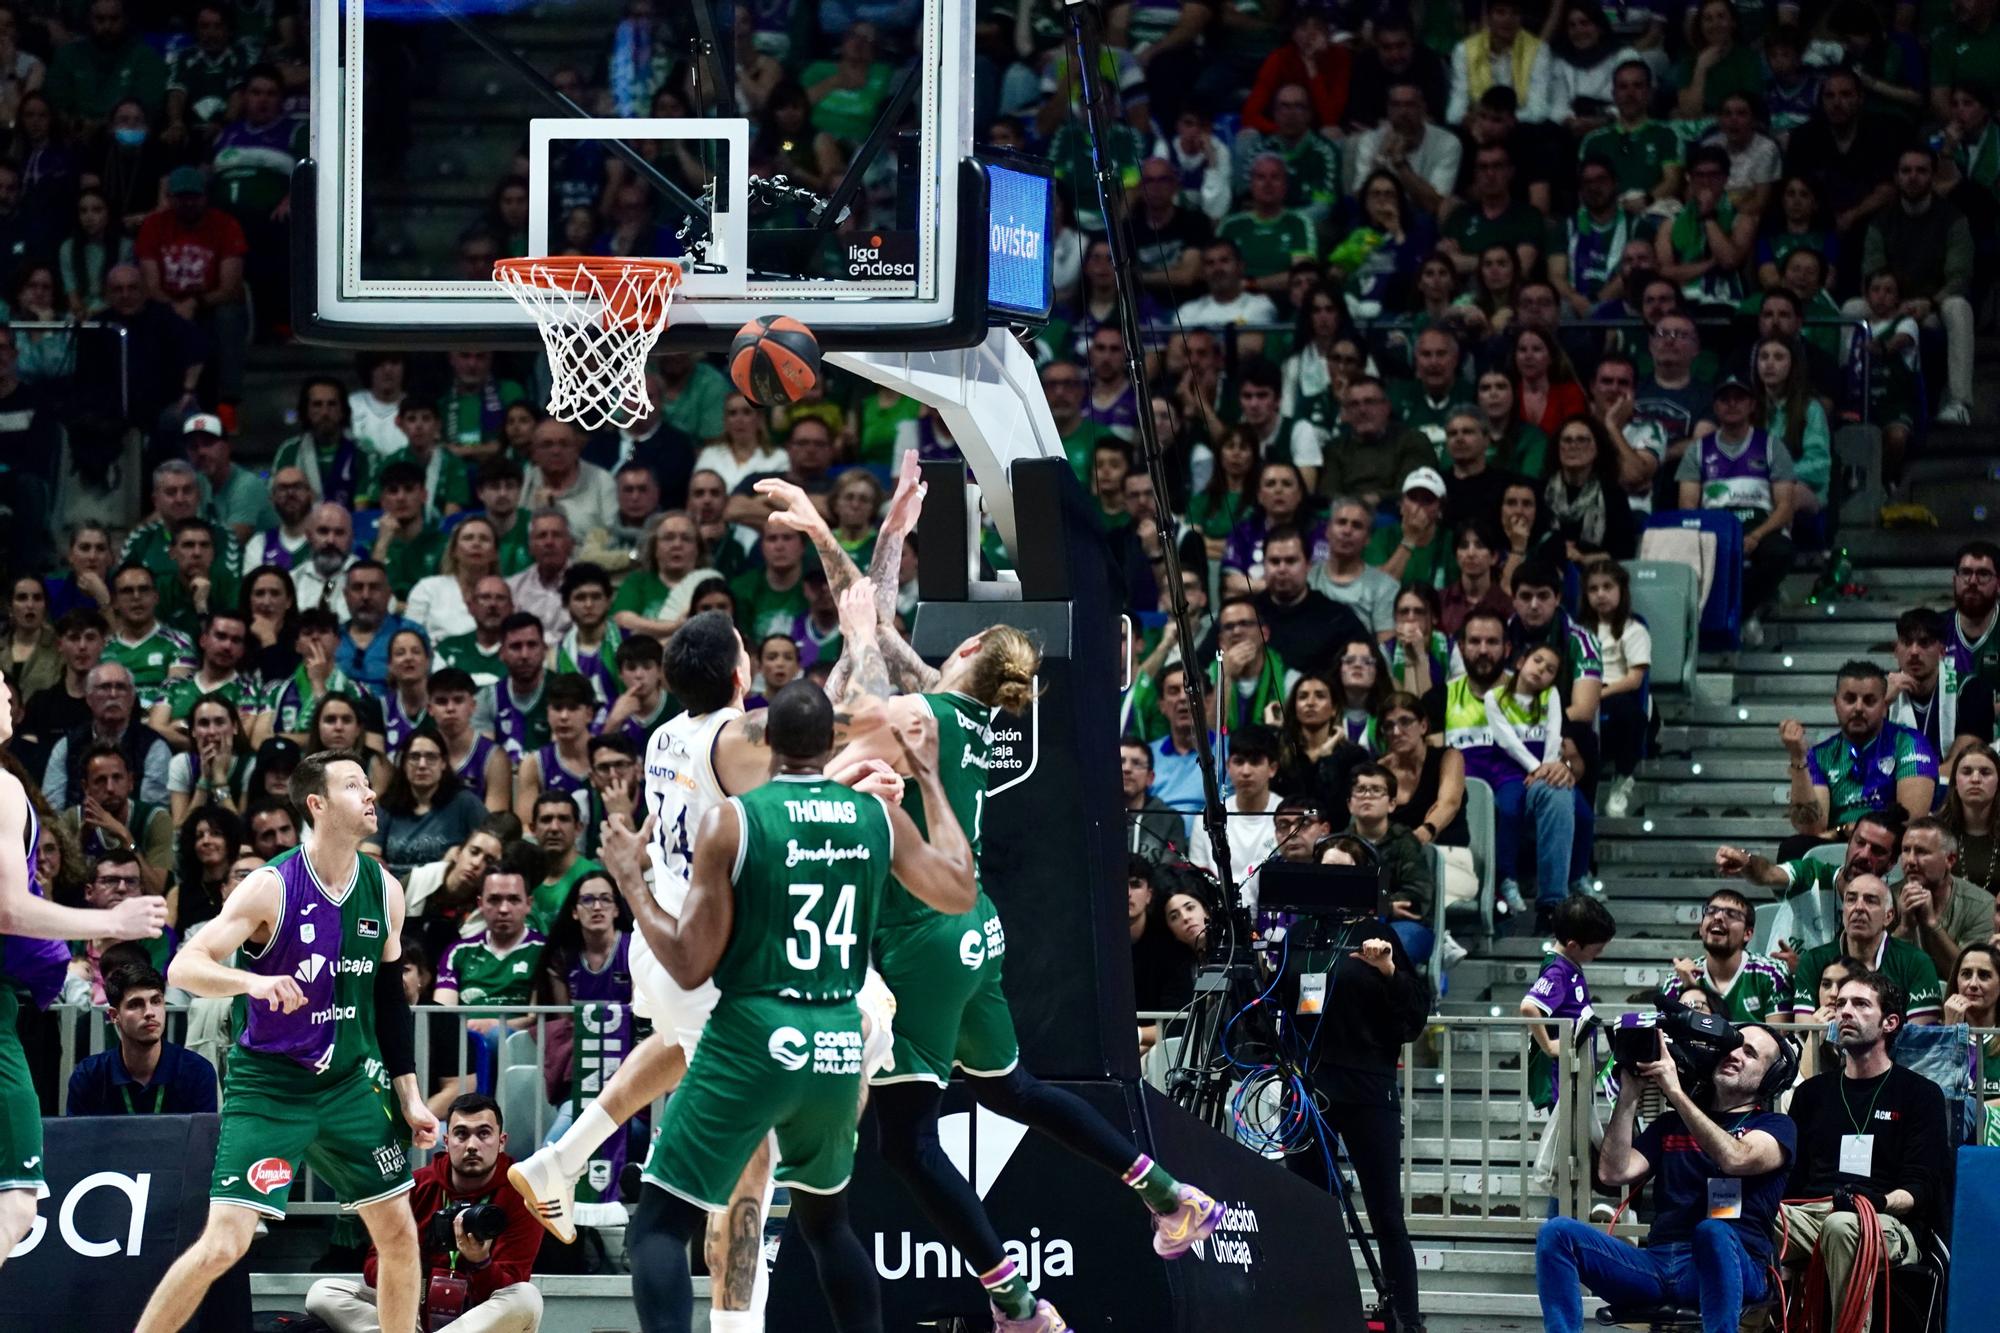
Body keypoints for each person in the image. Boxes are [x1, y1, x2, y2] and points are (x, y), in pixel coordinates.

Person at [600, 679, 978, 1333]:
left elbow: (691, 962)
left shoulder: (735, 819)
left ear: (766, 741)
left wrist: (632, 879)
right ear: (831, 740)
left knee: (659, 1225)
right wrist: (928, 776)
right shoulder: (878, 817)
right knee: (828, 1225)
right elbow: (958, 889)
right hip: (837, 1039)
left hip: (754, 1033)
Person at [130, 750, 438, 1332]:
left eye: (370, 784)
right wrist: (254, 980)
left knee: (398, 1230)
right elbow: (183, 968)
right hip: (270, 1086)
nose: (370, 794)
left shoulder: (385, 890)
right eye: (354, 786)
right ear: (317, 805)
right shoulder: (271, 886)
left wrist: (410, 1094)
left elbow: (390, 1001)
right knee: (224, 1244)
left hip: (350, 1082)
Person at [0, 673, 169, 1269]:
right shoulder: (1, 788)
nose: (7, 692)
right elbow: (8, 909)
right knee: (16, 1203)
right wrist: (113, 921)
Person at [1536, 1021, 1796, 1333]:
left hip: (1735, 1264)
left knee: (1712, 1232)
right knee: (1557, 1232)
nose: (1735, 1054)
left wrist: (1674, 1091)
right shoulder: (1671, 1125)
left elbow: (1735, 1158)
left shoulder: (1776, 1126)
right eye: (1733, 1046)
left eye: (1751, 1053)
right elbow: (1613, 1172)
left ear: (1771, 1077)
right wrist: (1629, 1097)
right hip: (1658, 1265)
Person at [1779, 969, 1950, 1325]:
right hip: (1812, 1213)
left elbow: (1920, 1189)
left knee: (1842, 1227)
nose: (1844, 1012)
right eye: (1840, 1003)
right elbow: (1791, 1182)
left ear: (1889, 1022)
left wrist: (1877, 1203)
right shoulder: (1811, 1094)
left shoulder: (1921, 1095)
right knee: (1740, 1216)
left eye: (1859, 1004)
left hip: (1886, 1220)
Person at [306, 1093, 545, 1333]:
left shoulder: (520, 1195)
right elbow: (373, 1267)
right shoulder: (416, 1186)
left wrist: (481, 1262)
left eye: (483, 1133)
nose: (472, 1145)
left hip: (481, 1319)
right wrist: (410, 1255)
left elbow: (510, 1284)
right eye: (461, 1134)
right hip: (414, 1314)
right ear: (446, 1140)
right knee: (323, 1293)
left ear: (501, 1141)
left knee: (527, 1297)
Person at [1779, 660, 1938, 859]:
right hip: (1836, 847)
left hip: (1886, 847)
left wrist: (1846, 831)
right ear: (1835, 703)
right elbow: (1811, 827)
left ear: (1884, 705)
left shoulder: (1910, 743)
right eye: (1850, 699)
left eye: (1870, 700)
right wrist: (1798, 757)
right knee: (1792, 850)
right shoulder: (1820, 755)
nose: (1859, 708)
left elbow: (1909, 819)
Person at [1479, 635, 1579, 927]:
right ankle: (1506, 879)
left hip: (1544, 771)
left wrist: (1547, 767)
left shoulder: (1551, 697)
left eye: (1550, 669)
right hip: (1510, 771)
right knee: (1507, 809)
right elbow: (1507, 741)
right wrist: (1537, 767)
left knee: (1581, 811)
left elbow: (1554, 735)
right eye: (1537, 661)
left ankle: (1577, 876)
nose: (1541, 670)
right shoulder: (1494, 697)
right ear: (1521, 661)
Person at [1787, 876, 1943, 1027]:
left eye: (1870, 900)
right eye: (1851, 899)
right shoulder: (1813, 960)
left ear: (1888, 917)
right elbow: (1805, 1031)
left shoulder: (1916, 963)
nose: (1859, 907)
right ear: (1843, 912)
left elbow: (1920, 1040)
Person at [66, 960, 217, 1115]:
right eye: (135, 1004)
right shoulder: (88, 1076)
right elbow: (77, 1138)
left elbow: (203, 1138)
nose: (149, 1012)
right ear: (114, 1015)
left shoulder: (196, 1071)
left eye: (156, 1001)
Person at [1520, 895, 1617, 1108]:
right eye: (1597, 949)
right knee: (1567, 1141)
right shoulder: (1558, 972)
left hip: (1576, 1074)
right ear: (1573, 945)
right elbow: (1529, 1007)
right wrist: (1548, 1046)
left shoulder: (1568, 964)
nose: (1600, 953)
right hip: (1562, 1080)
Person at [1887, 607, 1994, 775]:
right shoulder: (1881, 694)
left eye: (1924, 643)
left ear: (1942, 651)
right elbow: (1861, 753)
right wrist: (1883, 702)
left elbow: (1962, 764)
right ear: (1896, 651)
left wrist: (1915, 785)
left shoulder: (1971, 690)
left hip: (1952, 792)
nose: (1914, 651)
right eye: (1907, 642)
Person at [1188, 723, 1284, 900]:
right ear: (1228, 766)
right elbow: (1198, 880)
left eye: (1255, 762)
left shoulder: (1287, 817)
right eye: (1239, 762)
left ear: (1273, 768)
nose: (1245, 771)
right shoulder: (1208, 817)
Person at [1665, 889, 1790, 1024]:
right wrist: (1691, 989)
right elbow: (1668, 1039)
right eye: (1711, 911)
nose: (1718, 917)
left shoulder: (1772, 974)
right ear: (1701, 929)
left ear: (1747, 933)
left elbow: (1778, 1039)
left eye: (1731, 914)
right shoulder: (1678, 980)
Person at [1891, 816, 1991, 979]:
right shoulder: (1885, 899)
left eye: (1922, 852)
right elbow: (1877, 976)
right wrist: (1904, 929)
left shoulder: (1981, 906)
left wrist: (1932, 925)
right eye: (1905, 850)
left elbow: (1972, 979)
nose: (1910, 861)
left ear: (1950, 860)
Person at [1122, 738, 1185, 862]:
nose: (1127, 769)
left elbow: (1168, 876)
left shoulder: (1170, 820)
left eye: (1136, 763)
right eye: (1120, 761)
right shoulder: (1096, 818)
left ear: (1150, 778)